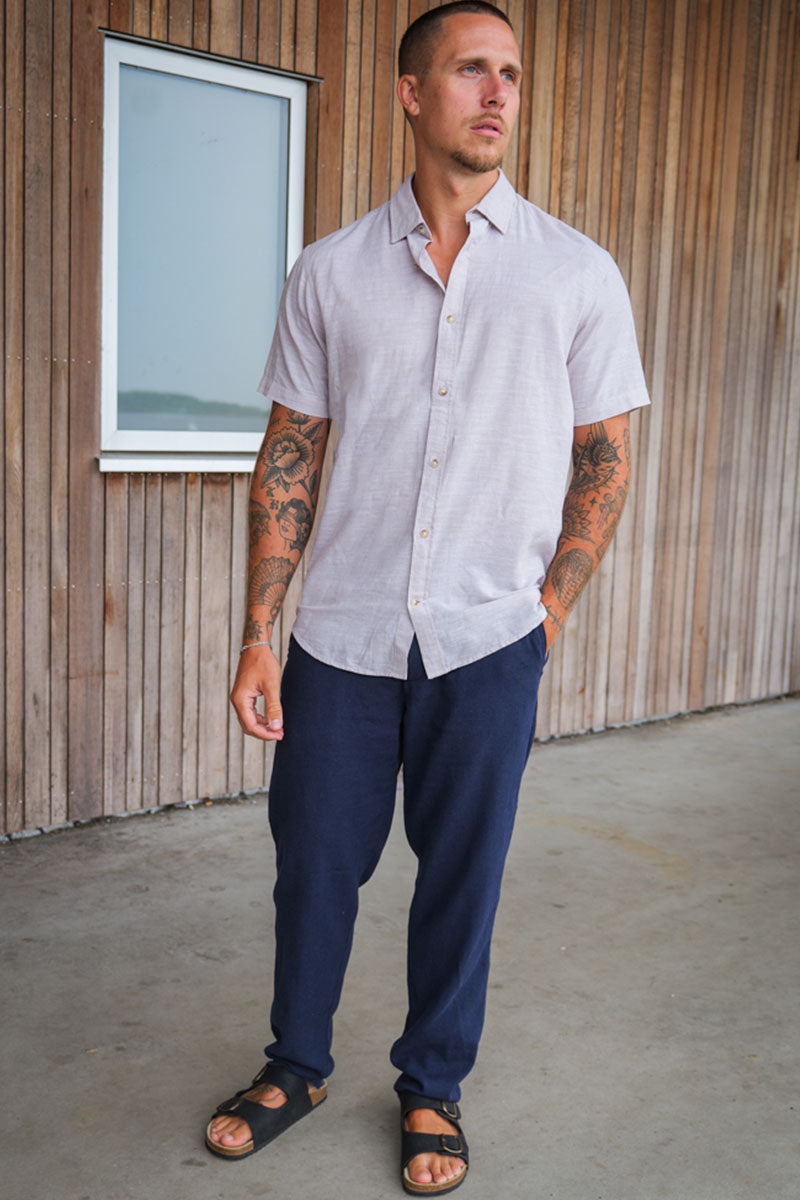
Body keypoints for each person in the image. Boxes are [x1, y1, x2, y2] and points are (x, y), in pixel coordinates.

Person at [205, 3, 650, 1193]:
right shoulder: (331, 272)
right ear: (411, 94)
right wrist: (258, 635)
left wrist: (546, 614)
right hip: (340, 636)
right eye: (468, 70)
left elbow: (603, 460)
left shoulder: (574, 273)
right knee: (313, 863)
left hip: (489, 638)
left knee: (463, 873)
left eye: (509, 73)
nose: (496, 92)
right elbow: (289, 454)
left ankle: (430, 1086)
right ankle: (295, 1065)